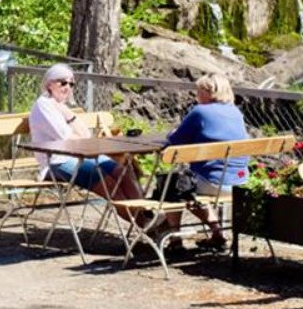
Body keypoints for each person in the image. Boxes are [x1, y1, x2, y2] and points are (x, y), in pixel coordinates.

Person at [160, 73, 248, 251]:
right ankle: (217, 233)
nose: (196, 95)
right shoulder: (235, 112)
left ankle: (175, 240)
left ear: (209, 92)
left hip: (213, 182)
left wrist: (172, 133)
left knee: (171, 185)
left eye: (199, 90)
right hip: (238, 180)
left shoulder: (200, 112)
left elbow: (174, 141)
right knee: (190, 188)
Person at [28, 63, 140, 201]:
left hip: (79, 157)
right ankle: (144, 221)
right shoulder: (44, 105)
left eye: (71, 84)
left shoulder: (61, 106)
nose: (67, 87)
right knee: (107, 183)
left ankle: (148, 213)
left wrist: (68, 113)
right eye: (62, 83)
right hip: (56, 162)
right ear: (49, 84)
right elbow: (66, 137)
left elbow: (86, 135)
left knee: (122, 170)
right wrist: (78, 136)